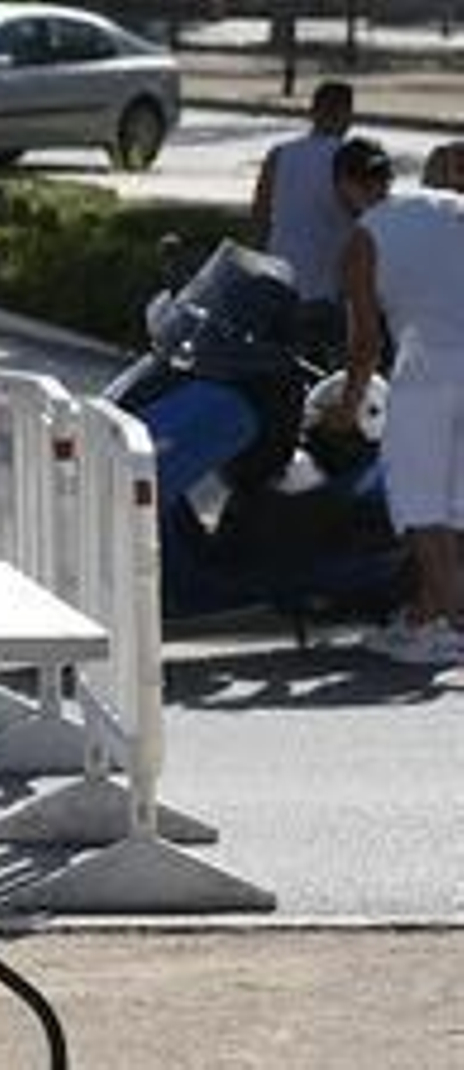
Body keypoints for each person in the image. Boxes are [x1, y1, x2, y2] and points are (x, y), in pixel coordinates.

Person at [329, 137, 464, 665]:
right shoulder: (453, 206)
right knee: (455, 507)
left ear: (345, 186)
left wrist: (346, 408)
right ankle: (427, 617)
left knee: (420, 508)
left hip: (427, 373)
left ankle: (450, 627)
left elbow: (365, 343)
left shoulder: (364, 239)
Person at [250, 80, 356, 363]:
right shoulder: (350, 158)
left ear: (313, 112)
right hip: (327, 291)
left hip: (279, 285)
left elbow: (260, 218)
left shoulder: (279, 155)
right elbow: (366, 220)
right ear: (347, 114)